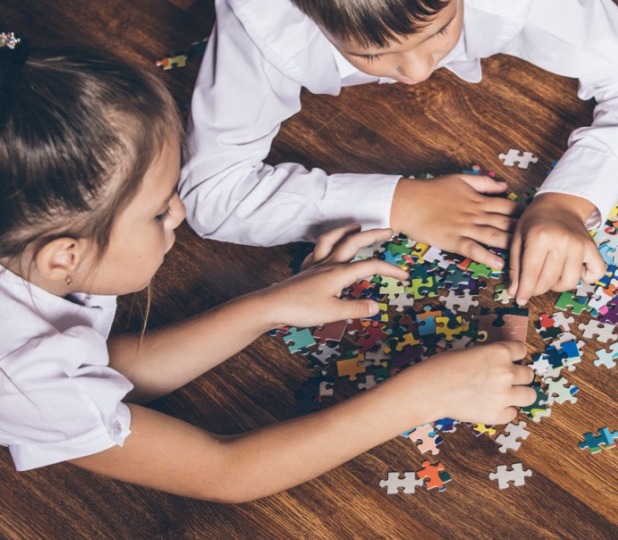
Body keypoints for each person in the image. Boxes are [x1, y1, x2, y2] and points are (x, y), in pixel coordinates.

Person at [0, 40, 536, 503]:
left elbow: (95, 373)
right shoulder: (18, 378)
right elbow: (224, 471)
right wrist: (423, 396)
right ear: (63, 258)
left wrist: (267, 306)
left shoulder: (31, 256)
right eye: (159, 209)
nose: (181, 213)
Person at [181, 0, 618, 307]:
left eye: (440, 31)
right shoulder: (259, 22)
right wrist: (398, 203)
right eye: (372, 54)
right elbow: (212, 194)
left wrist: (569, 200)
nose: (417, 72)